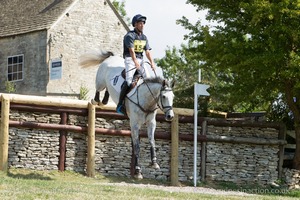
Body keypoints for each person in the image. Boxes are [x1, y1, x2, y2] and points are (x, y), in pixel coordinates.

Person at [116, 14, 156, 115]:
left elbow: (147, 52)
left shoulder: (144, 37)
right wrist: (135, 62)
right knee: (129, 81)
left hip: (141, 60)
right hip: (130, 59)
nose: (142, 25)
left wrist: (152, 63)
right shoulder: (129, 36)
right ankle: (120, 104)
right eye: (140, 23)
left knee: (149, 80)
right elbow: (131, 51)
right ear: (135, 25)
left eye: (143, 23)